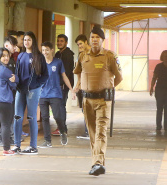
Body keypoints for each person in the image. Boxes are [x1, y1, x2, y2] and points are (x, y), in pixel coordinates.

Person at [73, 25, 123, 176]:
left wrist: (108, 87)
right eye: (92, 37)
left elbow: (119, 77)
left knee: (101, 132)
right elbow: (78, 72)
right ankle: (97, 163)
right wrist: (80, 86)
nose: (94, 40)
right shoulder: (83, 56)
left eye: (98, 37)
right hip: (87, 100)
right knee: (93, 133)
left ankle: (98, 163)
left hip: (103, 101)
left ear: (102, 40)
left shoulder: (110, 56)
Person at [11, 31, 49, 155]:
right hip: (20, 90)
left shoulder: (39, 56)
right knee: (17, 117)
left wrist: (37, 85)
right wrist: (15, 84)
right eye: (25, 40)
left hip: (33, 90)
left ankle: (33, 146)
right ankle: (17, 145)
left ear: (33, 41)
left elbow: (45, 75)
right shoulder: (21, 56)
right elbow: (17, 73)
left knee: (32, 117)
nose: (27, 42)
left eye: (29, 40)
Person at [38, 41, 76, 148]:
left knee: (58, 116)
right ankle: (47, 141)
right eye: (43, 50)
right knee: (45, 117)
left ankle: (63, 131)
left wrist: (71, 89)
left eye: (47, 50)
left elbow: (64, 76)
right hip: (43, 94)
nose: (45, 52)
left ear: (52, 50)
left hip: (55, 94)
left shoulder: (58, 62)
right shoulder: (40, 63)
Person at [0, 36, 18, 146]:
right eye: (13, 45)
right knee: (1, 121)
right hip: (2, 96)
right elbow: (12, 78)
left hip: (10, 94)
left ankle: (8, 138)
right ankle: (1, 139)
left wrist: (15, 80)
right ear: (6, 45)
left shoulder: (12, 60)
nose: (15, 48)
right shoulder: (0, 65)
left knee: (9, 118)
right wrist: (14, 81)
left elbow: (15, 78)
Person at [7, 30, 29, 138]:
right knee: (10, 112)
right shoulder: (8, 57)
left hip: (17, 86)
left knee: (16, 110)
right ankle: (12, 133)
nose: (15, 44)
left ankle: (16, 132)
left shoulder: (19, 53)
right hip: (9, 89)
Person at [52, 34, 74, 136]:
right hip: (57, 85)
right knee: (59, 106)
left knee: (61, 106)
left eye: (61, 41)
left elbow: (66, 72)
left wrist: (63, 84)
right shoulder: (58, 54)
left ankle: (62, 129)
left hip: (63, 85)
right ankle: (61, 128)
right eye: (58, 41)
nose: (59, 43)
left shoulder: (67, 55)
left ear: (66, 43)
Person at [74, 34, 91, 139]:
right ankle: (88, 132)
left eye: (80, 43)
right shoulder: (80, 55)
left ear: (86, 42)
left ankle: (91, 132)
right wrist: (77, 85)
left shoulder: (93, 53)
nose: (79, 46)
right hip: (84, 86)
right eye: (78, 44)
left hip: (93, 86)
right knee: (84, 109)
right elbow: (79, 73)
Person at [150, 50, 167, 131]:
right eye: (164, 56)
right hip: (159, 89)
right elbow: (154, 77)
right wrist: (151, 87)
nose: (166, 57)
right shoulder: (158, 66)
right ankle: (158, 126)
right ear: (162, 57)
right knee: (159, 108)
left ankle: (166, 126)